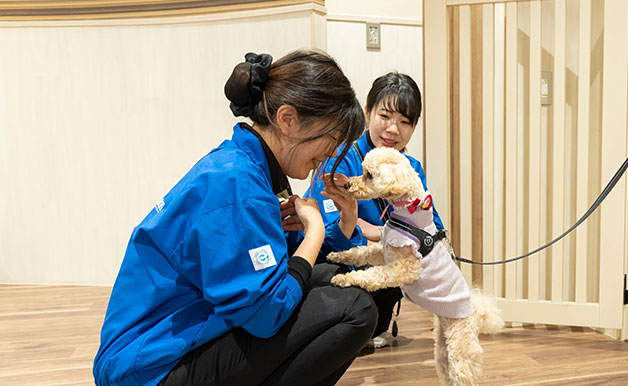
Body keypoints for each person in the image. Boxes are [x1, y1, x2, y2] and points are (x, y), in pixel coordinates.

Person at [93, 50, 378, 386]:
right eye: (331, 137)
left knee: (332, 277)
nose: (332, 153)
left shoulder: (244, 167)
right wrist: (314, 232)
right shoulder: (237, 184)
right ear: (287, 119)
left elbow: (280, 273)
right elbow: (267, 314)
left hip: (166, 348)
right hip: (150, 370)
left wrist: (341, 224)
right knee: (355, 309)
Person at [305, 72, 445, 349]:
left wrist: (381, 232)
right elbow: (328, 228)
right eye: (385, 116)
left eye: (405, 122)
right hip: (339, 270)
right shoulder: (339, 158)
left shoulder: (411, 168)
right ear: (367, 113)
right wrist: (382, 234)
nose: (394, 129)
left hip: (384, 281)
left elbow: (432, 228)